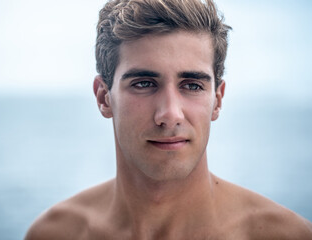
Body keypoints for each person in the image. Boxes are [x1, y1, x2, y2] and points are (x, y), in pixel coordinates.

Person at [25, 0, 312, 239]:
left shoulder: (287, 235)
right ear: (103, 97)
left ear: (217, 100)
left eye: (192, 85)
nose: (170, 114)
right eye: (144, 83)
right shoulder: (56, 233)